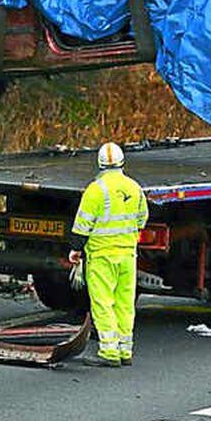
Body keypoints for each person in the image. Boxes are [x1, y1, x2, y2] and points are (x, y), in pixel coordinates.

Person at [68, 142, 148, 367]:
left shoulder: (96, 190)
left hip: (102, 255)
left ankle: (109, 352)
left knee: (103, 302)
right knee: (125, 303)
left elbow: (82, 225)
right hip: (128, 255)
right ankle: (125, 350)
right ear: (122, 163)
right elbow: (142, 219)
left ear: (100, 163)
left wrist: (75, 249)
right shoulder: (134, 188)